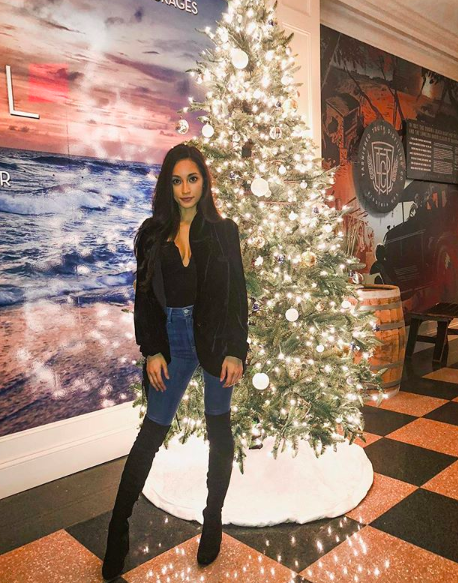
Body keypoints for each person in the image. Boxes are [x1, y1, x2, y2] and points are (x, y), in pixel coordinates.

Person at [102, 143, 249, 581]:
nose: (186, 189)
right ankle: (117, 530)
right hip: (171, 341)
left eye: (193, 179)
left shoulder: (223, 232)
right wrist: (151, 350)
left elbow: (237, 296)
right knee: (150, 434)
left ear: (204, 182)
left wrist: (236, 350)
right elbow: (144, 298)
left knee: (219, 431)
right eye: (177, 180)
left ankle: (212, 519)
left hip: (215, 341)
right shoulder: (152, 233)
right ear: (168, 185)